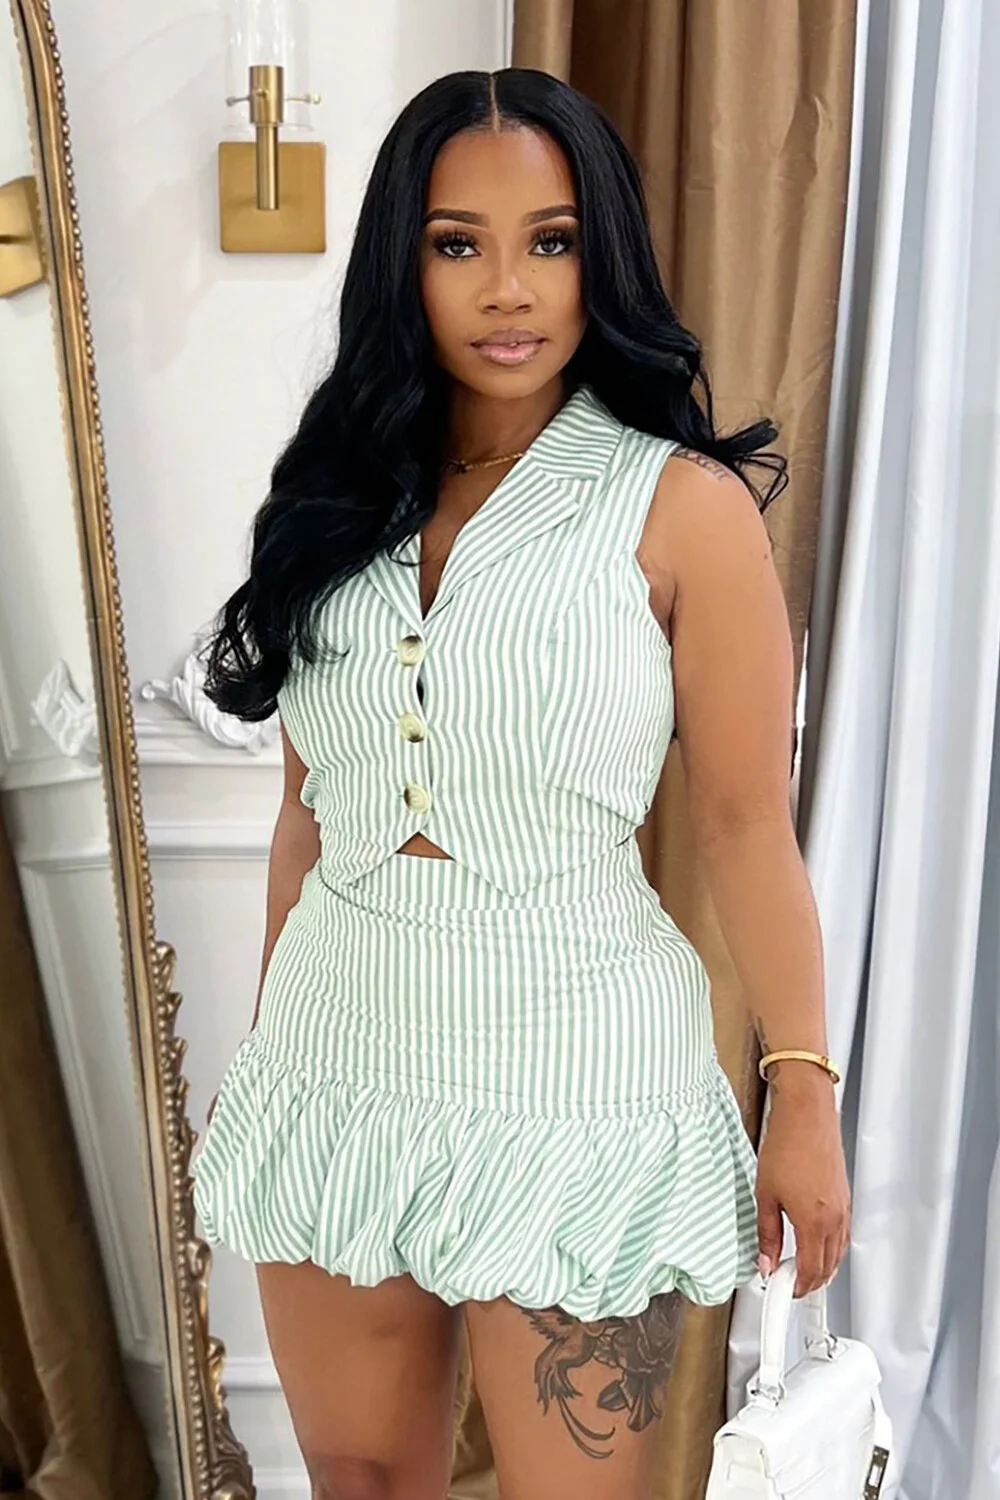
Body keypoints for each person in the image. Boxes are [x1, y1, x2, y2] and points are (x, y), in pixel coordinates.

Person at [190, 66, 851, 1500]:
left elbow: (747, 823)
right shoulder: (332, 501)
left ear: (600, 258)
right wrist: (273, 1049)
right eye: (458, 243)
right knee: (362, 1480)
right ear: (404, 263)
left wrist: (803, 1092)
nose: (509, 288)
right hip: (337, 1062)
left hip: (581, 1084)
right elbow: (309, 811)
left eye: (551, 241)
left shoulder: (681, 509)